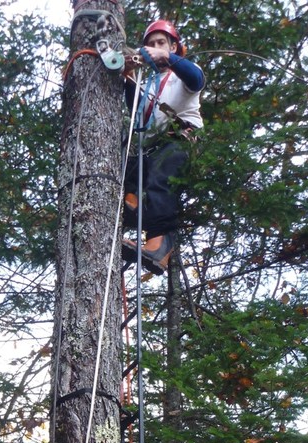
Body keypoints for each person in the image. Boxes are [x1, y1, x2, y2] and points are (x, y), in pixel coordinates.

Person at [122, 18, 205, 273]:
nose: (155, 47)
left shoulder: (181, 74)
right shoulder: (149, 84)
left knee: (160, 178)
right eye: (151, 44)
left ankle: (159, 245)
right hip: (152, 146)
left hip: (180, 138)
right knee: (127, 167)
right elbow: (137, 112)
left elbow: (196, 79)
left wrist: (165, 56)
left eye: (161, 42)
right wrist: (128, 77)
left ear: (173, 47)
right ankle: (133, 209)